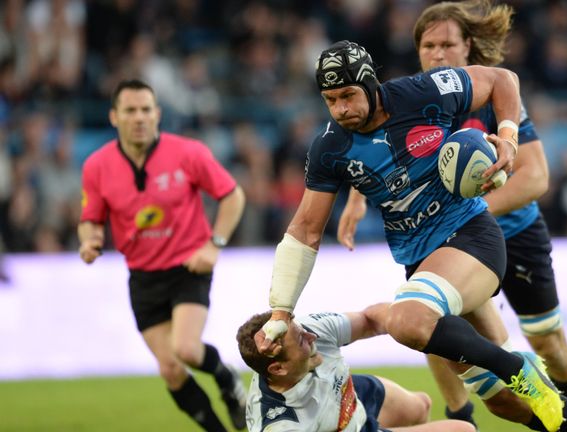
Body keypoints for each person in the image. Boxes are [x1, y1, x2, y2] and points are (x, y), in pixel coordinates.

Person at [336, 1, 567, 428]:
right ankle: (462, 416)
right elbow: (374, 155)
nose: (437, 54)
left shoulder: (490, 97)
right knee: (433, 320)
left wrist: (466, 209)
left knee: (548, 345)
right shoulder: (411, 103)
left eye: (447, 44)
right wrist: (357, 196)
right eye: (428, 45)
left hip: (514, 232)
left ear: (469, 47)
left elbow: (535, 178)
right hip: (452, 239)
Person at [78, 79, 248, 431]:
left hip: (188, 266)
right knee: (170, 370)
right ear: (114, 117)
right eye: (130, 110)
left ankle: (226, 378)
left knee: (186, 349)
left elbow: (233, 196)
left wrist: (214, 244)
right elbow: (90, 219)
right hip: (142, 275)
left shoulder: (188, 153)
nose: (139, 117)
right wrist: (89, 241)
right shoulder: (96, 166)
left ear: (157, 114)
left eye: (145, 110)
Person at [236, 303, 475, 432]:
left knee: (421, 406)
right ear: (278, 369)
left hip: (349, 395)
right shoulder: (283, 426)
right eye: (301, 341)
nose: (311, 336)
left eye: (302, 330)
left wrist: (410, 319)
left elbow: (370, 320)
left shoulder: (310, 330)